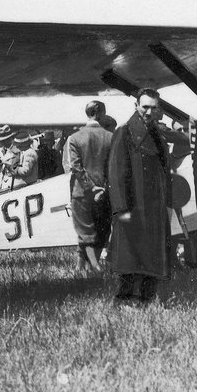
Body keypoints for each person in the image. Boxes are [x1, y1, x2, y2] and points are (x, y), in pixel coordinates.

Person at [109, 88, 172, 303]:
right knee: (129, 256)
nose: (148, 111)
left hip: (154, 206)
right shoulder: (124, 132)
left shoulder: (157, 134)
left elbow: (165, 171)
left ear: (158, 109)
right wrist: (121, 209)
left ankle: (147, 298)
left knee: (151, 254)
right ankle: (124, 299)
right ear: (136, 106)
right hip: (133, 206)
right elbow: (116, 173)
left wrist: (168, 203)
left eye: (153, 108)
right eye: (144, 106)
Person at [64, 100, 113, 273]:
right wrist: (102, 187)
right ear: (101, 113)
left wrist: (90, 187)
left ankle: (92, 267)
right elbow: (111, 167)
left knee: (84, 231)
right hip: (104, 191)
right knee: (100, 231)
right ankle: (91, 265)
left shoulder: (75, 138)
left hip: (81, 193)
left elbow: (76, 167)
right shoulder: (110, 136)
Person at [0, 127, 38, 193]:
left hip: (14, 186)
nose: (4, 142)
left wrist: (6, 161)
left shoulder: (19, 150)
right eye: (2, 140)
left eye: (7, 139)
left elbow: (18, 167)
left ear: (11, 138)